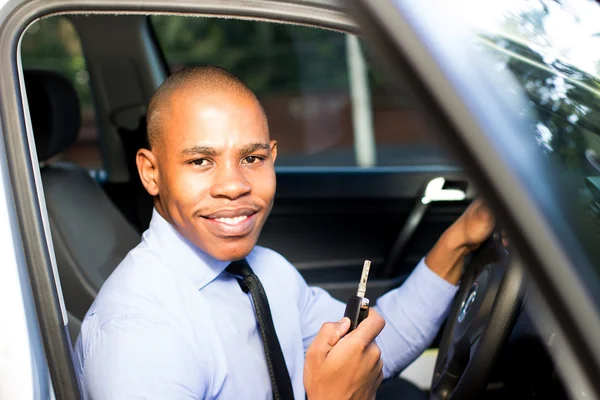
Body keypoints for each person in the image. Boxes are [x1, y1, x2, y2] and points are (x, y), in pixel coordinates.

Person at [73, 66, 496, 399]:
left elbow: (368, 351)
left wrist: (463, 238)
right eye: (201, 161)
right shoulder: (137, 336)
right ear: (151, 172)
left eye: (252, 158)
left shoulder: (265, 272)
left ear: (273, 157)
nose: (235, 185)